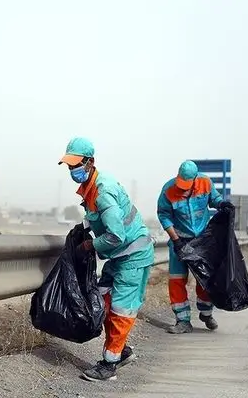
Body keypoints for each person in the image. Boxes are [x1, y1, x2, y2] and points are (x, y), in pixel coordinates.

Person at [58, 137, 154, 382]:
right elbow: (98, 221)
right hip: (120, 256)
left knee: (121, 308)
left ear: (90, 162)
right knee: (102, 299)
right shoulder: (90, 188)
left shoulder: (103, 192)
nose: (72, 170)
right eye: (69, 166)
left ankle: (109, 364)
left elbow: (115, 234)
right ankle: (121, 351)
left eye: (76, 165)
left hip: (133, 255)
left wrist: (90, 244)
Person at [156, 160, 234, 334]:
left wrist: (222, 204)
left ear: (195, 179)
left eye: (186, 185)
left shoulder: (205, 182)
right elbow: (163, 215)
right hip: (179, 240)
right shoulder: (168, 190)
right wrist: (176, 240)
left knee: (205, 278)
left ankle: (206, 313)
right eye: (180, 184)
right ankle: (182, 321)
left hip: (202, 241)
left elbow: (214, 199)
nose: (182, 189)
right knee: (176, 280)